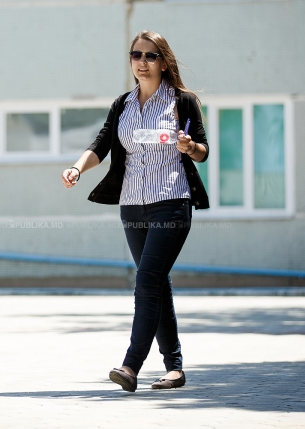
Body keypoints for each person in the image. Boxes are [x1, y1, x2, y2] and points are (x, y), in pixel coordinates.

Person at [61, 30, 209, 392]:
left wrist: (190, 147)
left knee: (146, 281)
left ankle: (131, 366)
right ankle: (174, 368)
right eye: (136, 55)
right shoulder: (123, 104)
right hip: (133, 205)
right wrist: (78, 168)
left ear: (164, 62)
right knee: (155, 281)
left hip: (171, 201)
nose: (142, 62)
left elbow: (203, 150)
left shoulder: (182, 101)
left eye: (151, 55)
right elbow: (102, 144)